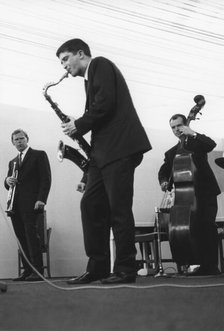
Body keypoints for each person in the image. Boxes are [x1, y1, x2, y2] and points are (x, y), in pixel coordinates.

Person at [56, 38, 152, 284]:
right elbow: (100, 111)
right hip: (103, 153)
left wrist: (78, 124)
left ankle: (125, 269)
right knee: (91, 205)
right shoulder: (90, 79)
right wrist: (79, 125)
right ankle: (97, 267)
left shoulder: (99, 64)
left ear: (80, 53)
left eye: (65, 58)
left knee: (118, 209)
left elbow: (105, 105)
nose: (63, 66)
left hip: (119, 149)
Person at [158, 114, 221, 276]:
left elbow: (211, 144)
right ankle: (198, 263)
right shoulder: (172, 152)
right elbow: (163, 170)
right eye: (173, 127)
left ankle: (211, 266)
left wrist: (192, 132)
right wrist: (164, 181)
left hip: (205, 193)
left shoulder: (197, 143)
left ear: (185, 124)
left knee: (207, 226)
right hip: (186, 198)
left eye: (179, 126)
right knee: (193, 230)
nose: (176, 130)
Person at [4, 129, 51, 281]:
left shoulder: (39, 155)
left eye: (21, 138)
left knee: (32, 236)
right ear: (13, 143)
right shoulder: (12, 162)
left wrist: (41, 199)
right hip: (15, 206)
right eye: (16, 140)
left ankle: (37, 272)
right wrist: (7, 181)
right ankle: (27, 271)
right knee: (21, 238)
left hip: (32, 203)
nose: (19, 141)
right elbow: (9, 184)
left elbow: (46, 178)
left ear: (27, 139)